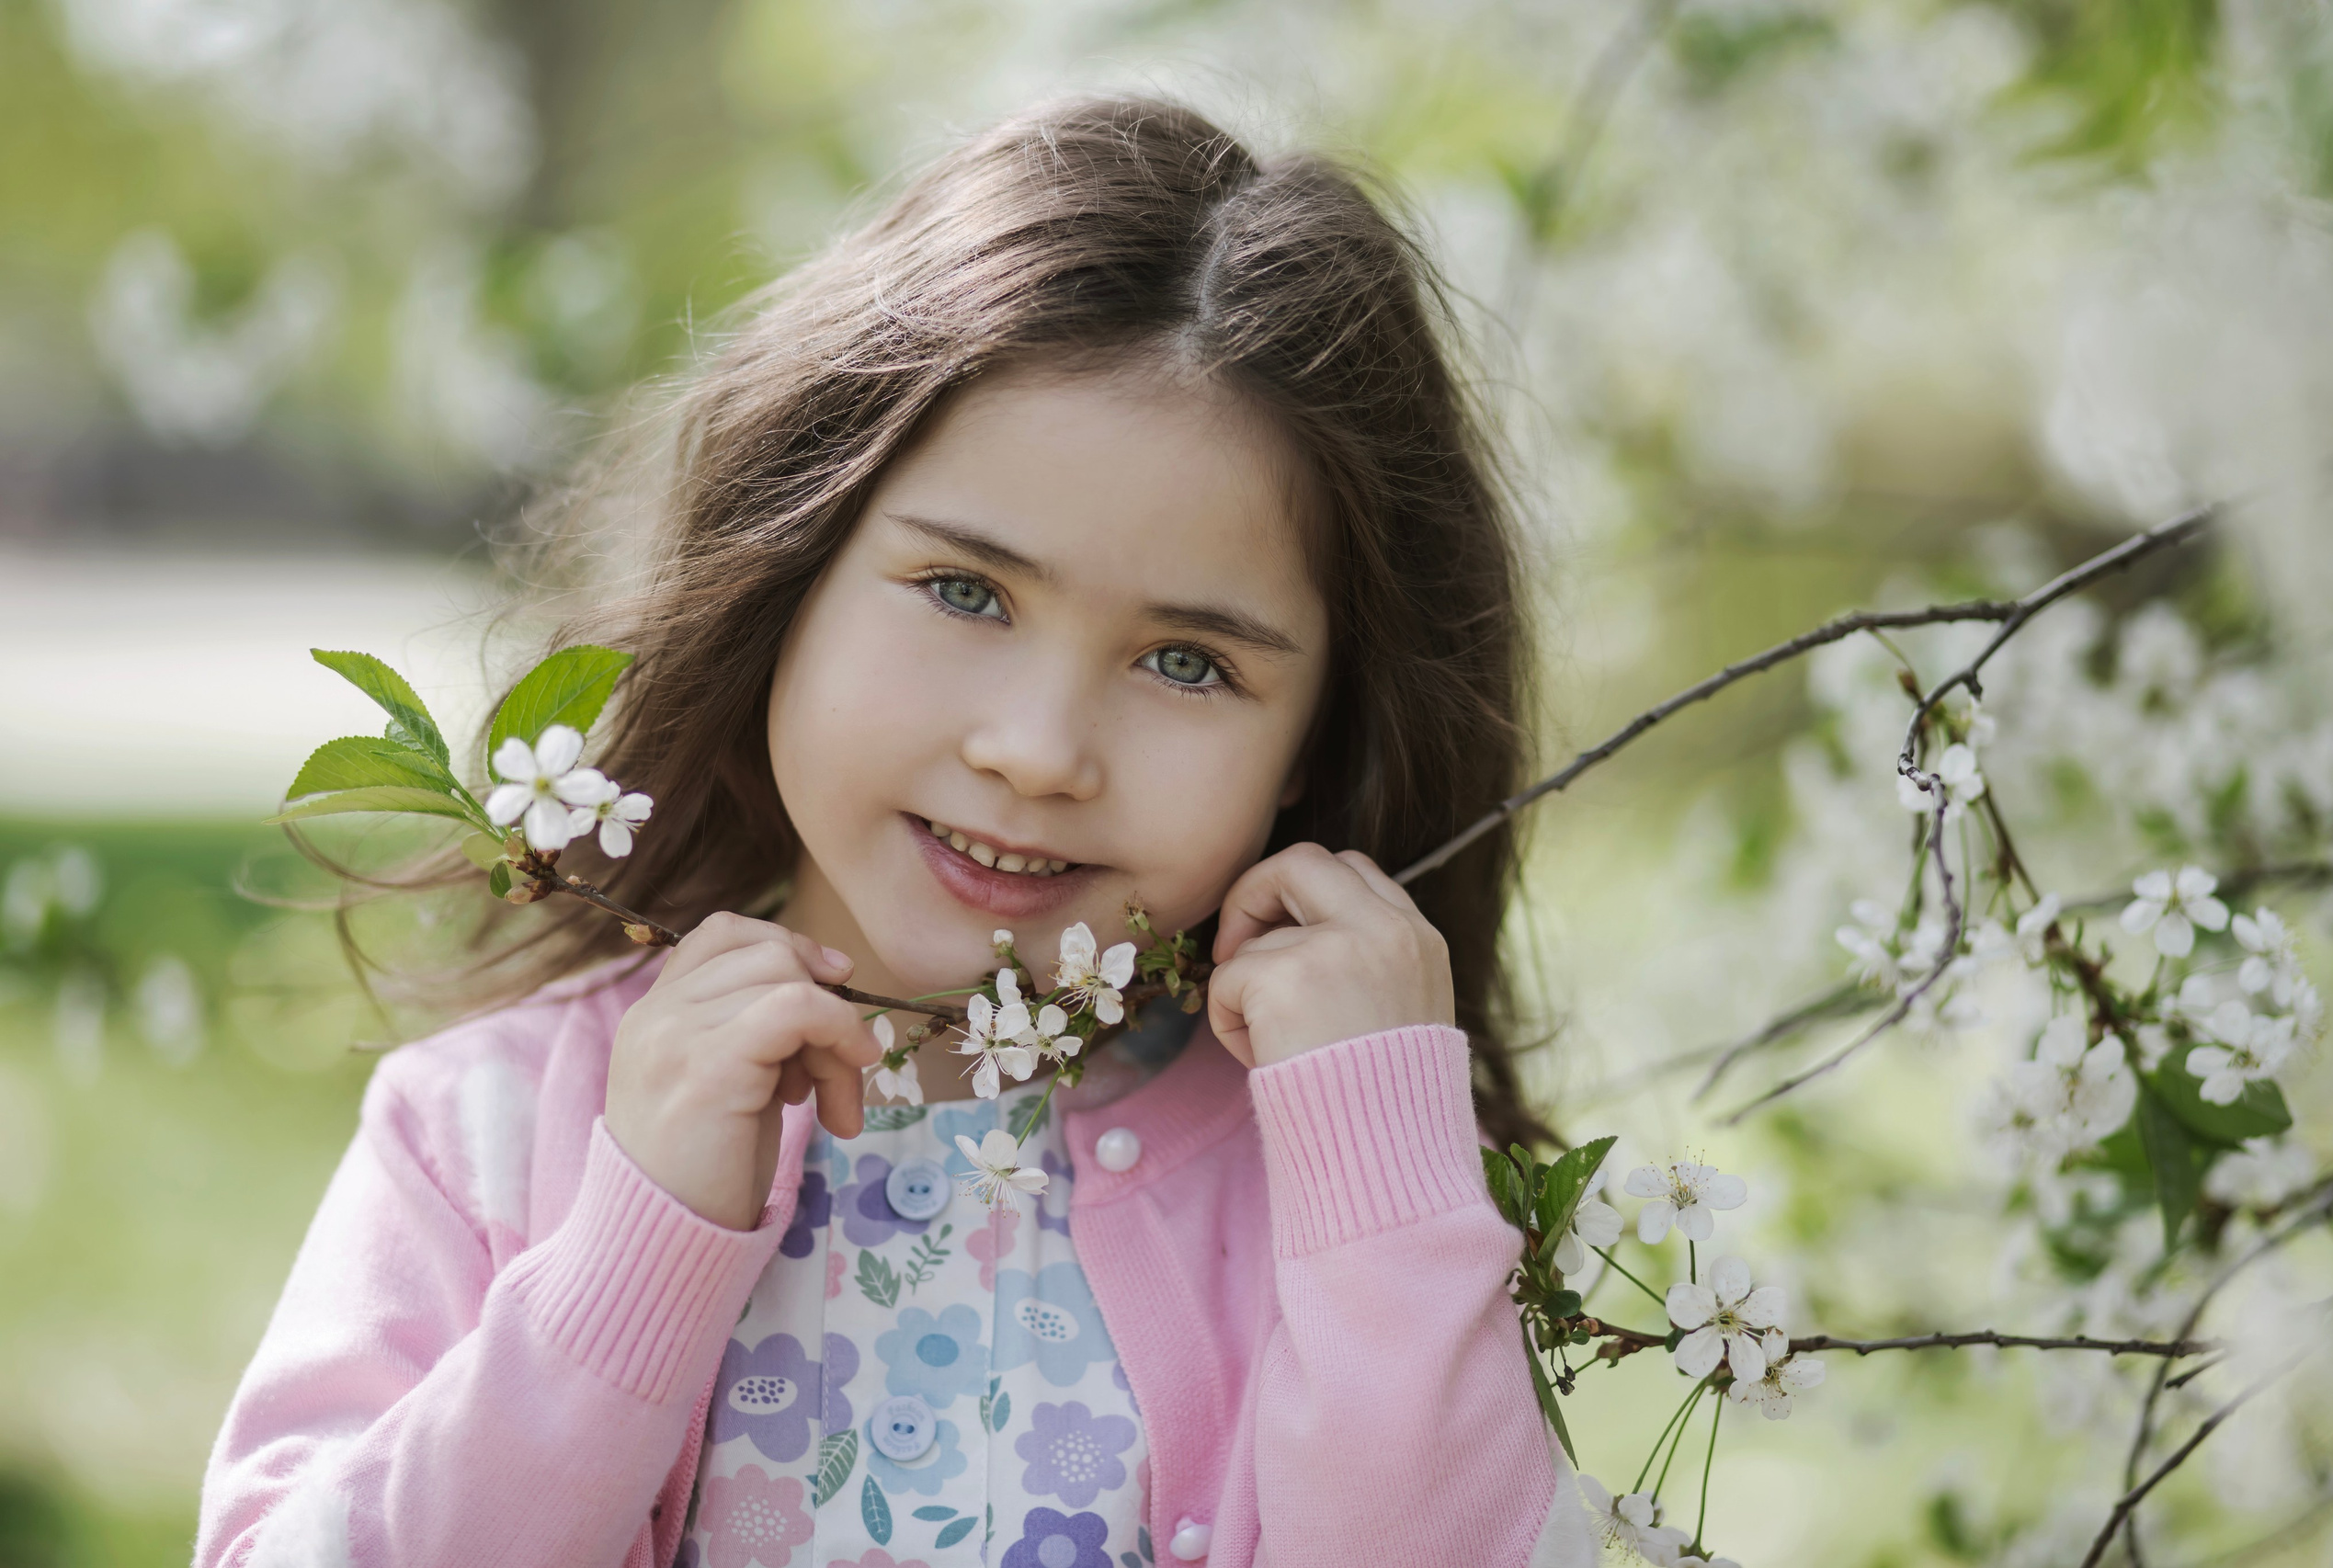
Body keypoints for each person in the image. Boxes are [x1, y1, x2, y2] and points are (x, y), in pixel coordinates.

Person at [198, 96, 1594, 1568]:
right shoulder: (489, 1125)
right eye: (968, 592)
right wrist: (629, 1260)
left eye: (1189, 661)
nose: (1037, 751)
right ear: (793, 561)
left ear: (1318, 741)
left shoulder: (1348, 1167)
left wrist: (1385, 1171)